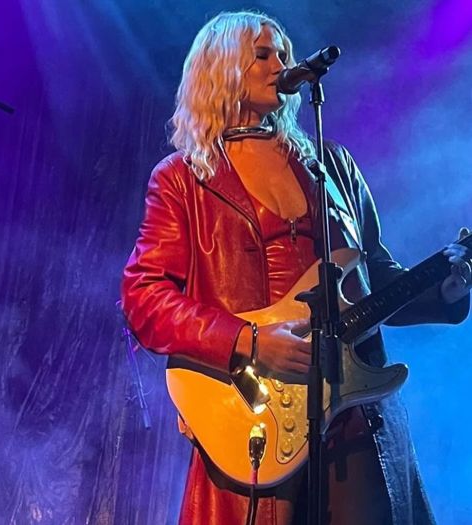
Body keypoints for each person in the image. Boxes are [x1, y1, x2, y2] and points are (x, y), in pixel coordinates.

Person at [120, 10, 471, 525]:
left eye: (283, 53)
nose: (281, 64)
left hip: (355, 417)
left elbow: (376, 278)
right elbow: (144, 295)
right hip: (256, 414)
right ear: (221, 70)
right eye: (262, 55)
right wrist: (249, 342)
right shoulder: (184, 179)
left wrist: (443, 288)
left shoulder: (336, 168)